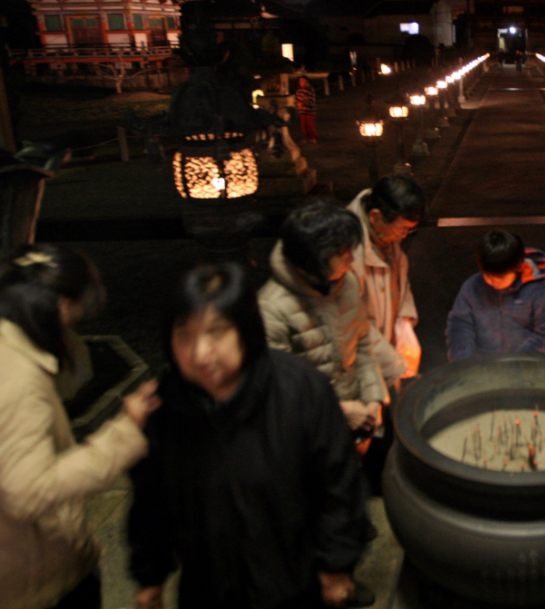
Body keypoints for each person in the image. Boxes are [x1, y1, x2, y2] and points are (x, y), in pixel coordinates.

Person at [128, 263, 370, 609]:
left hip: (291, 584)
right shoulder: (163, 408)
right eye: (185, 334)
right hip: (206, 588)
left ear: (245, 330)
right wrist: (150, 577)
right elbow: (150, 501)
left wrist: (336, 566)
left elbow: (338, 484)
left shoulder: (299, 390)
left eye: (216, 332)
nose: (200, 353)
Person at [0, 244, 159, 609]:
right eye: (77, 311)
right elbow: (29, 490)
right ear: (61, 305)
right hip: (31, 581)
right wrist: (124, 432)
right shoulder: (16, 383)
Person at [258, 201, 386, 449]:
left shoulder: (346, 282)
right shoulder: (271, 310)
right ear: (315, 260)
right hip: (307, 438)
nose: (352, 258)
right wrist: (340, 411)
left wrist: (373, 398)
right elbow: (278, 392)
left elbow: (362, 345)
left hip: (354, 422)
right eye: (343, 252)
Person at [346, 176, 425, 389]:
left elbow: (400, 281)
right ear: (375, 216)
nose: (404, 236)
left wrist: (404, 322)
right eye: (402, 229)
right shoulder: (346, 251)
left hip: (384, 357)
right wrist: (393, 362)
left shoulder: (386, 238)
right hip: (357, 369)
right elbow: (351, 322)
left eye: (410, 230)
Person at [447, 230, 545, 361]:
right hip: (483, 366)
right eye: (488, 275)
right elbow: (460, 326)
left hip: (526, 366)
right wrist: (463, 362)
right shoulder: (472, 287)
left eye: (500, 278)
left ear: (518, 268)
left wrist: (519, 361)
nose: (493, 281)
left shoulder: (538, 289)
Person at [295, 76, 318, 144]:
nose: (301, 82)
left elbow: (311, 99)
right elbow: (296, 98)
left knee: (310, 125)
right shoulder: (299, 90)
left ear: (306, 81)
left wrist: (303, 103)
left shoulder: (310, 89)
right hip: (302, 111)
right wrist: (297, 103)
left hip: (309, 111)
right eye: (300, 81)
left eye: (302, 81)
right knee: (303, 125)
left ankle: (313, 137)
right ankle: (305, 137)